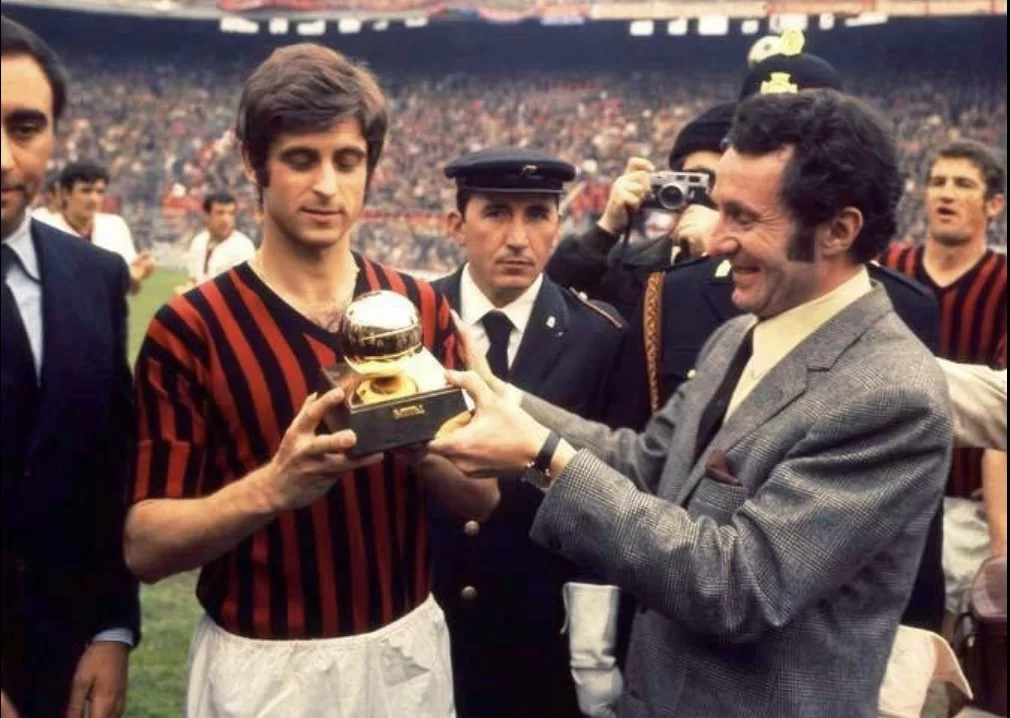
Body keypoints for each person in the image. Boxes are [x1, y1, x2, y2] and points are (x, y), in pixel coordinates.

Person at [428, 89, 952, 718]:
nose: (716, 239)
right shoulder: (740, 335)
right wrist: (503, 396)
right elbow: (647, 464)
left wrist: (543, 457)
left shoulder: (890, 394)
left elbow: (736, 586)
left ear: (839, 230)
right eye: (718, 209)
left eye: (744, 219)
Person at [123, 43, 475, 717]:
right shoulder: (190, 329)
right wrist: (273, 488)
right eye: (300, 159)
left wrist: (421, 449)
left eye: (347, 160)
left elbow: (481, 498)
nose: (327, 187)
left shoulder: (420, 308)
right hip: (263, 666)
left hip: (406, 652)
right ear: (253, 162)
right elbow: (145, 546)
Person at [429, 148, 626, 718]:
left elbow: (613, 496)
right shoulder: (414, 324)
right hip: (425, 625)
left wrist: (594, 649)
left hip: (541, 637)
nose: (518, 238)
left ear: (558, 226)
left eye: (537, 215)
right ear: (456, 225)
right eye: (496, 213)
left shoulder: (600, 339)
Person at [1, 16, 139, 718]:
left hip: (63, 660)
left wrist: (112, 627)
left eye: (24, 127)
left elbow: (108, 466)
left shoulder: (96, 276)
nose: (2, 157)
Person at [546, 30, 844, 322]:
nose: (713, 196)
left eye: (721, 182)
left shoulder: (781, 265)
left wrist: (717, 260)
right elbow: (548, 309)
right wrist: (605, 231)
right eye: (695, 181)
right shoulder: (636, 262)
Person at [880, 139, 1008, 618]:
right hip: (887, 487)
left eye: (963, 184)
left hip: (969, 506)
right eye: (937, 182)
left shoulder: (1002, 283)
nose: (946, 194)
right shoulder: (888, 269)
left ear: (994, 205)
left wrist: (1001, 539)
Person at [38, 161, 156, 293]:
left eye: (100, 192)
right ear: (66, 193)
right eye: (86, 191)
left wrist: (137, 274)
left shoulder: (115, 226)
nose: (94, 199)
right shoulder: (44, 228)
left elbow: (132, 289)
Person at [173, 189, 254, 294]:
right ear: (206, 216)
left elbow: (241, 293)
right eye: (220, 213)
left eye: (231, 214)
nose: (226, 219)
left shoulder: (243, 247)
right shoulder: (199, 241)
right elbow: (193, 279)